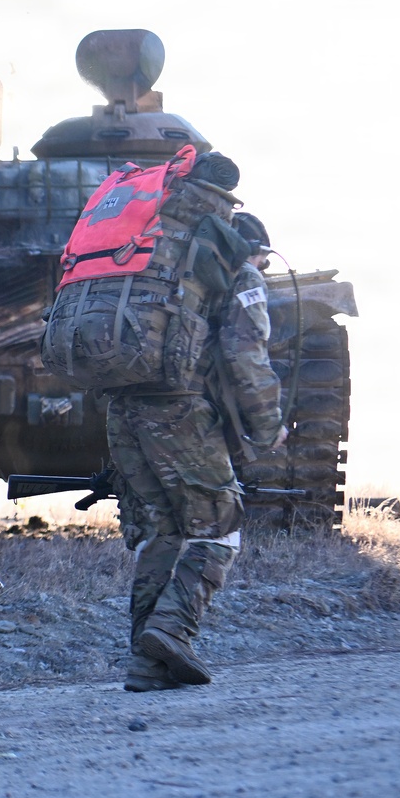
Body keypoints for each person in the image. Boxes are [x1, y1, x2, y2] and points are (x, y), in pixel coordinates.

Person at [110, 210, 288, 693]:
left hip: (122, 411)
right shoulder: (239, 270)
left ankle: (146, 666)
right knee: (221, 530)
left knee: (160, 533)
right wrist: (269, 424)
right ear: (253, 250)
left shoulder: (150, 262)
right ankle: (171, 630)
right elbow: (244, 354)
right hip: (181, 414)